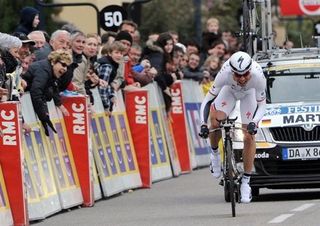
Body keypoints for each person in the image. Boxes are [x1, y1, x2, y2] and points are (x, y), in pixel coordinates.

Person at [198, 51, 266, 203]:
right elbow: (208, 100)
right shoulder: (225, 73)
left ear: (250, 70)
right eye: (237, 75)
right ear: (231, 71)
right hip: (228, 92)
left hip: (249, 95)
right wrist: (203, 124)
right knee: (215, 122)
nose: (242, 78)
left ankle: (246, 182)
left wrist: (254, 122)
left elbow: (262, 105)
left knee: (249, 135)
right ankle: (215, 155)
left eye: (245, 74)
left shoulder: (258, 76)